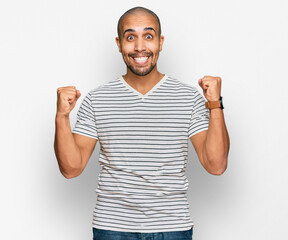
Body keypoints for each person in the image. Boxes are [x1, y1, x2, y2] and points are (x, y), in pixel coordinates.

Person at [54, 6, 230, 240]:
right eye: (130, 37)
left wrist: (215, 104)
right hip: (112, 228)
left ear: (160, 42)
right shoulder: (97, 99)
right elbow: (71, 169)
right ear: (119, 44)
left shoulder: (188, 98)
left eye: (148, 36)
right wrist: (62, 116)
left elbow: (216, 165)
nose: (139, 47)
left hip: (172, 227)